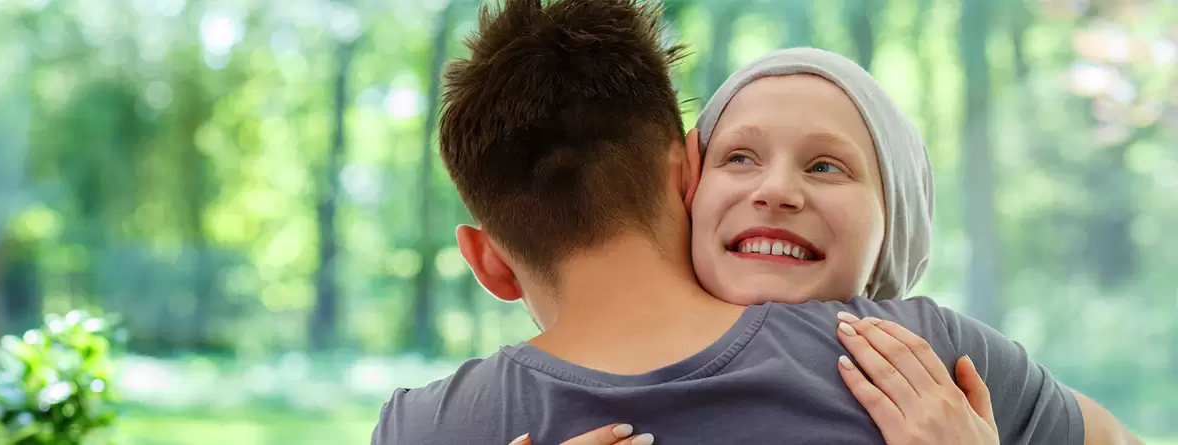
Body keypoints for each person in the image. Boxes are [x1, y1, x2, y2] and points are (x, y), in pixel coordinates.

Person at [373, 0, 1141, 443]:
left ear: (488, 260)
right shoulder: (926, 360)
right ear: (688, 173)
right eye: (742, 157)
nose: (776, 191)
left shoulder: (422, 427)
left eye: (827, 166)